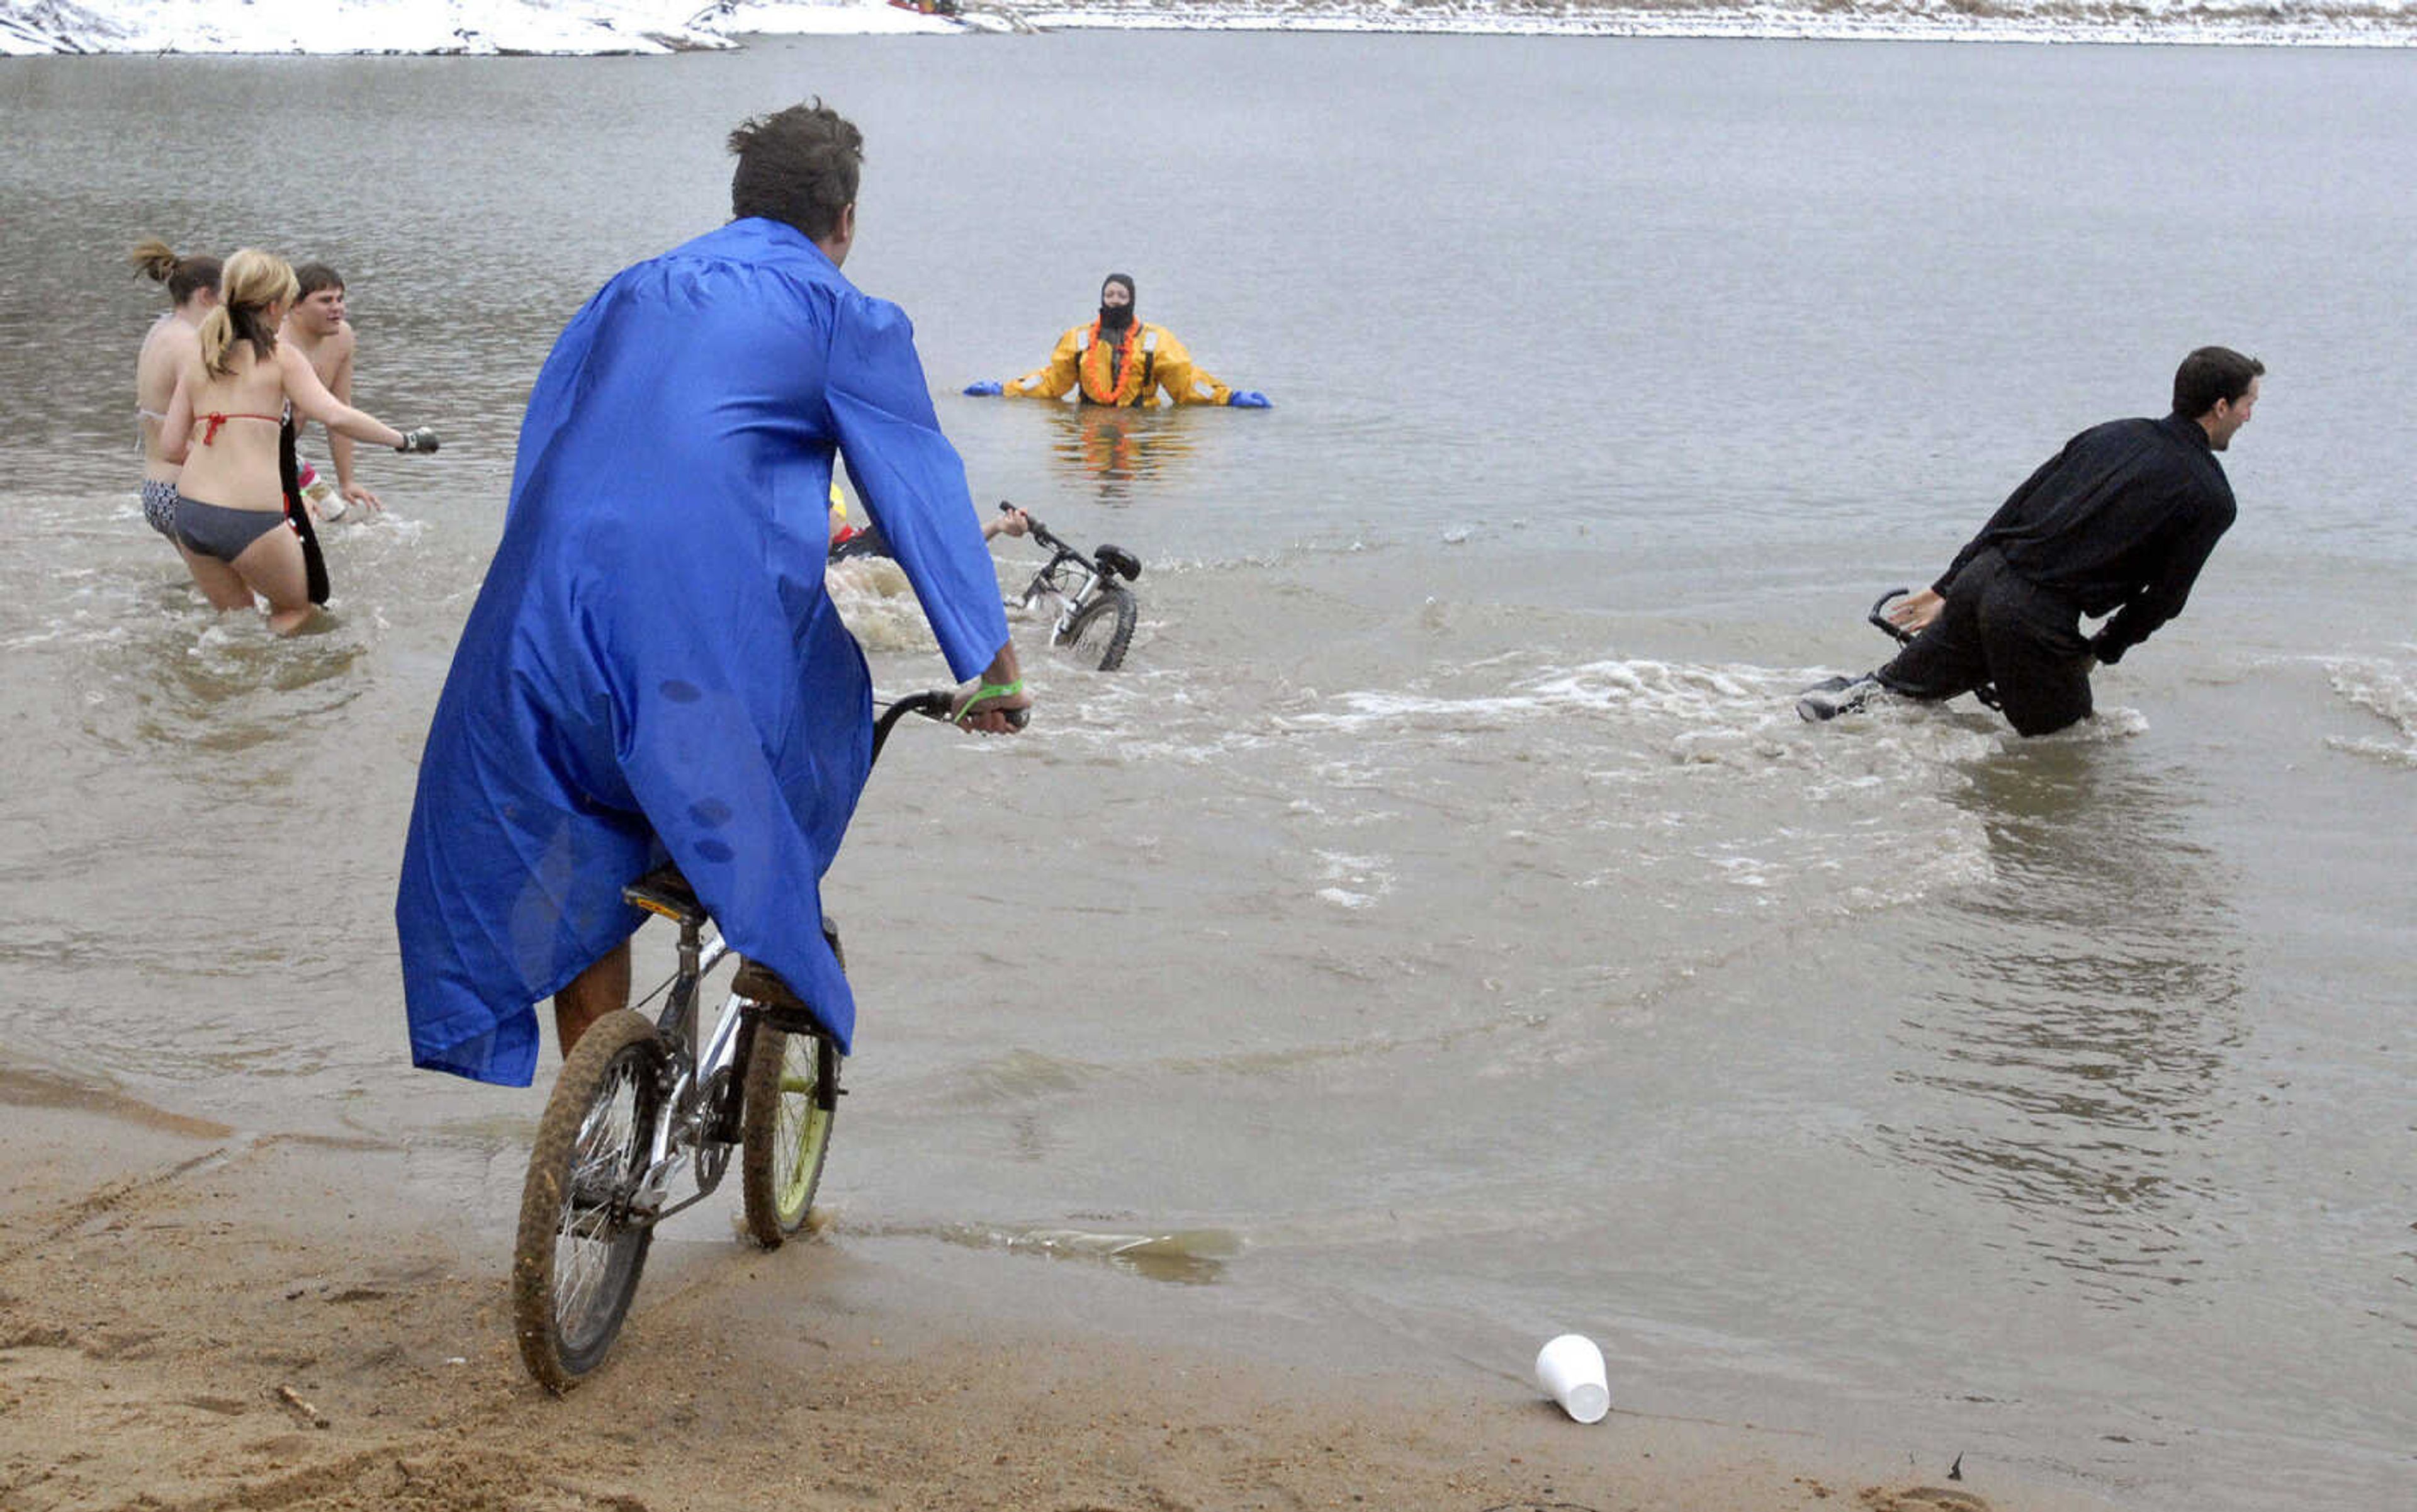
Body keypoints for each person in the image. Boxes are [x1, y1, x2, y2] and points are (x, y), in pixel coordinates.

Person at [395, 99, 1030, 1088]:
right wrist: (994, 665)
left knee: (567, 847)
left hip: (537, 615)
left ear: (739, 201)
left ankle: (600, 1125)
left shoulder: (630, 290)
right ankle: (772, 939)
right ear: (845, 218)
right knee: (822, 703)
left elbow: (547, 443)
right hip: (685, 632)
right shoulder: (843, 315)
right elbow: (919, 496)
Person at [1798, 346, 2262, 736]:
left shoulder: (2109, 434)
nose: (2250, 416)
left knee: (1881, 697)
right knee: (2072, 751)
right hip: (2030, 618)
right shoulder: (2210, 496)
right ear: (2221, 407)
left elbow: (2016, 506)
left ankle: (1793, 727)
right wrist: (2102, 650)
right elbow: (2165, 599)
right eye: (2248, 404)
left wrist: (1951, 584)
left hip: (1984, 578)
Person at [159, 248, 434, 636]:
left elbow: (171, 446)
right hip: (250, 518)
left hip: (191, 515)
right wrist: (404, 441)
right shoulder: (280, 357)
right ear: (275, 307)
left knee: (237, 627)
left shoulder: (199, 357)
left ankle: (228, 691)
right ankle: (282, 691)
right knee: (294, 612)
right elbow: (336, 414)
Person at [963, 274, 1270, 409]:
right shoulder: (1079, 339)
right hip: (1091, 428)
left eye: (1121, 295)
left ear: (1132, 300)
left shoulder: (1155, 340)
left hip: (1137, 428)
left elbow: (1186, 385)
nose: (1115, 301)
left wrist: (1228, 397)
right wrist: (1004, 390)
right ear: (1101, 298)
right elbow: (1052, 383)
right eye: (1109, 295)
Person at [130, 239, 222, 550]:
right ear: (207, 296)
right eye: (229, 300)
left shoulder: (161, 331)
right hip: (184, 491)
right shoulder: (190, 345)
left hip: (156, 489)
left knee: (208, 592)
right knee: (241, 595)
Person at [277, 262, 381, 521]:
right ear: (295, 305)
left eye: (340, 299)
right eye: (325, 300)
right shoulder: (275, 343)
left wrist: (347, 481)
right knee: (301, 526)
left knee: (341, 519)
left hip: (287, 457)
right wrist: (297, 494)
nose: (337, 307)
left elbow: (340, 411)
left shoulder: (342, 337)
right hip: (254, 460)